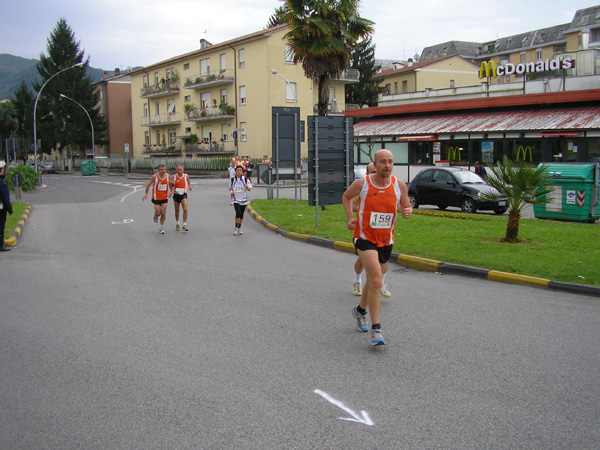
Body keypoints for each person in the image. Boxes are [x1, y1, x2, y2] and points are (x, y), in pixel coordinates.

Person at [342, 149, 412, 346]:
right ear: (375, 163)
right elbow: (346, 197)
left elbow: (406, 205)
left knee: (374, 281)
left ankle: (360, 310)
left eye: (390, 162)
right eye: (383, 162)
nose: (387, 165)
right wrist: (350, 218)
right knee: (377, 281)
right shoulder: (363, 183)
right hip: (365, 238)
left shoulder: (399, 185)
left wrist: (408, 211)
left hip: (386, 240)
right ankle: (377, 329)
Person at [351, 162, 391, 298]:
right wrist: (363, 211)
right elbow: (351, 204)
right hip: (365, 232)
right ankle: (357, 281)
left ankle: (381, 284)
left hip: (383, 232)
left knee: (384, 260)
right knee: (363, 261)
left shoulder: (388, 186)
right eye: (372, 172)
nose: (376, 174)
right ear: (367, 174)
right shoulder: (364, 187)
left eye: (377, 171)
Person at [142, 164, 171, 234]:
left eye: (164, 169)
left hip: (164, 197)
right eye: (162, 169)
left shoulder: (168, 176)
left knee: (163, 213)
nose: (163, 171)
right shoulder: (154, 177)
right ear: (158, 170)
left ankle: (161, 227)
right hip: (156, 197)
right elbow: (148, 184)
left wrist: (171, 191)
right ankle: (156, 215)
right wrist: (146, 194)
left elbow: (170, 184)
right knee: (158, 213)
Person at [229, 165, 252, 235]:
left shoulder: (245, 180)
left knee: (241, 215)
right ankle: (236, 228)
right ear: (235, 172)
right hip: (236, 200)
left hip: (243, 200)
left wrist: (246, 186)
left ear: (242, 172)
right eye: (237, 170)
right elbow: (230, 187)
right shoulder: (233, 180)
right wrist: (231, 192)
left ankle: (239, 228)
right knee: (238, 213)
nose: (239, 172)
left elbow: (249, 189)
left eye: (240, 170)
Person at [170, 164, 192, 231]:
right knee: (177, 210)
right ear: (176, 170)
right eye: (178, 170)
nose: (179, 171)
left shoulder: (186, 175)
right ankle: (177, 223)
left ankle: (184, 224)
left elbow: (188, 180)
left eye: (181, 170)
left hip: (183, 194)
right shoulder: (173, 176)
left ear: (183, 170)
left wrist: (189, 185)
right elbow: (170, 184)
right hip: (176, 194)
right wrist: (171, 188)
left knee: (185, 209)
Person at [0, 161, 14, 251]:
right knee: (1, 226)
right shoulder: (1, 183)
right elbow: (5, 198)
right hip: (0, 209)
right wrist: (10, 210)